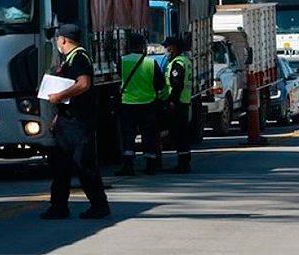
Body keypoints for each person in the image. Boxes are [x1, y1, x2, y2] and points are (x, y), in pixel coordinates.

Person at [40, 24, 110, 220]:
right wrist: (57, 117)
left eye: (57, 40)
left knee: (83, 164)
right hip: (67, 121)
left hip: (79, 122)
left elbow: (84, 84)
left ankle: (99, 205)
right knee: (60, 165)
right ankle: (59, 206)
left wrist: (59, 96)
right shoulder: (70, 59)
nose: (57, 43)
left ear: (62, 40)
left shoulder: (79, 58)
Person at [116, 33, 164, 176]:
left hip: (128, 103)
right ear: (143, 46)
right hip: (147, 104)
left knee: (128, 135)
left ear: (128, 46)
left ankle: (128, 165)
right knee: (148, 135)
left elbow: (119, 77)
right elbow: (160, 83)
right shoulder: (151, 63)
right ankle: (150, 165)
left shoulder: (122, 61)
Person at [161, 36, 192, 174]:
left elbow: (177, 83)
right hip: (183, 101)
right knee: (182, 134)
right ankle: (184, 162)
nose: (166, 49)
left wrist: (172, 100)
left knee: (179, 135)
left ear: (175, 47)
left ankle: (183, 164)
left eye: (168, 46)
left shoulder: (178, 63)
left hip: (178, 102)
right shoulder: (183, 60)